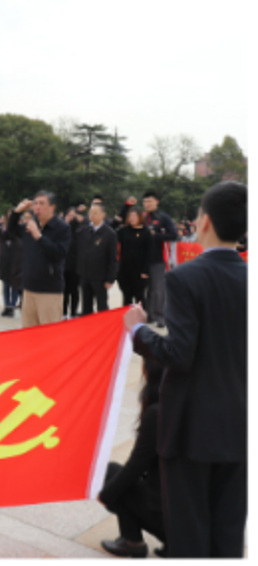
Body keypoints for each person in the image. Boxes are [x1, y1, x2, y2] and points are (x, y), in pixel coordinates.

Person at [124, 181, 247, 558]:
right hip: (241, 424)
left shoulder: (185, 277)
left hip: (191, 427)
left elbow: (178, 354)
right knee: (228, 530)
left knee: (189, 531)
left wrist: (139, 330)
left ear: (204, 221)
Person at [99, 359, 166, 558]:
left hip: (169, 517)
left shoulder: (158, 413)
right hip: (194, 520)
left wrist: (106, 494)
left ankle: (131, 541)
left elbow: (135, 467)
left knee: (110, 474)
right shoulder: (187, 404)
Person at [8, 191, 71, 327]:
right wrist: (17, 212)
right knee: (29, 334)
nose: (37, 207)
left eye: (42, 204)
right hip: (28, 289)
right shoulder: (31, 225)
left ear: (52, 207)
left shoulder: (62, 228)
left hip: (49, 292)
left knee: (49, 335)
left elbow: (59, 254)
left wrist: (39, 237)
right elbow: (10, 231)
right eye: (35, 203)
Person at [142, 190, 177, 328]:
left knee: (158, 289)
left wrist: (155, 235)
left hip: (158, 259)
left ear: (157, 202)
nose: (147, 204)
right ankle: (148, 316)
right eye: (145, 201)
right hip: (142, 259)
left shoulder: (163, 218)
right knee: (146, 289)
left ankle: (160, 317)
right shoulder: (142, 217)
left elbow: (174, 234)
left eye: (149, 201)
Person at [75, 203, 117, 315]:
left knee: (102, 306)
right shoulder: (84, 231)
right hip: (85, 275)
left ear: (103, 215)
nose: (92, 215)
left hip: (100, 277)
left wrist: (110, 279)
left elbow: (112, 258)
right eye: (90, 213)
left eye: (95, 213)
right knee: (86, 307)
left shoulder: (109, 233)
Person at [116, 206, 151, 306]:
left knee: (139, 297)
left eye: (134, 216)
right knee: (126, 296)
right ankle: (127, 316)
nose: (132, 218)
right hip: (124, 270)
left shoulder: (146, 232)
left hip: (139, 271)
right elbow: (111, 232)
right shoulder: (123, 231)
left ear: (140, 217)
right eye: (130, 216)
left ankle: (141, 316)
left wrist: (146, 271)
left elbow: (149, 252)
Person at [0, 210, 18, 317]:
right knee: (6, 285)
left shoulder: (18, 229)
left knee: (15, 285)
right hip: (4, 259)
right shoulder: (1, 228)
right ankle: (7, 306)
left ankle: (12, 306)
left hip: (15, 260)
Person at [62, 207, 80, 318]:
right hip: (62, 265)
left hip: (75, 266)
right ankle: (63, 313)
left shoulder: (78, 230)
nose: (71, 218)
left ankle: (73, 312)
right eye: (69, 215)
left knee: (74, 291)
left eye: (73, 216)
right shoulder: (61, 229)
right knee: (64, 291)